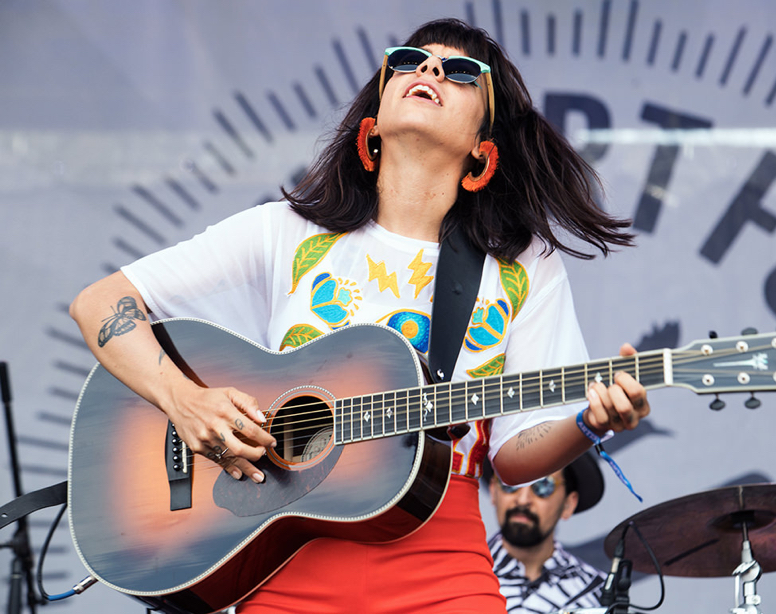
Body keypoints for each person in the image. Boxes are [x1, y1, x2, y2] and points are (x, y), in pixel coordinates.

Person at [68, 17, 650, 613]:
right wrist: (183, 400)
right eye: (409, 61)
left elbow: (511, 455)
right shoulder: (286, 233)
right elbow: (99, 304)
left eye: (460, 72)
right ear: (373, 121)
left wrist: (590, 422)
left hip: (443, 567)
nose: (428, 71)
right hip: (285, 563)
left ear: (484, 147)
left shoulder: (521, 267)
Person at [487, 454, 607, 612]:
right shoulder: (457, 574)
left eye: (543, 485)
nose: (523, 500)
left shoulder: (598, 590)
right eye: (510, 482)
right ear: (493, 490)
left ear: (568, 504)